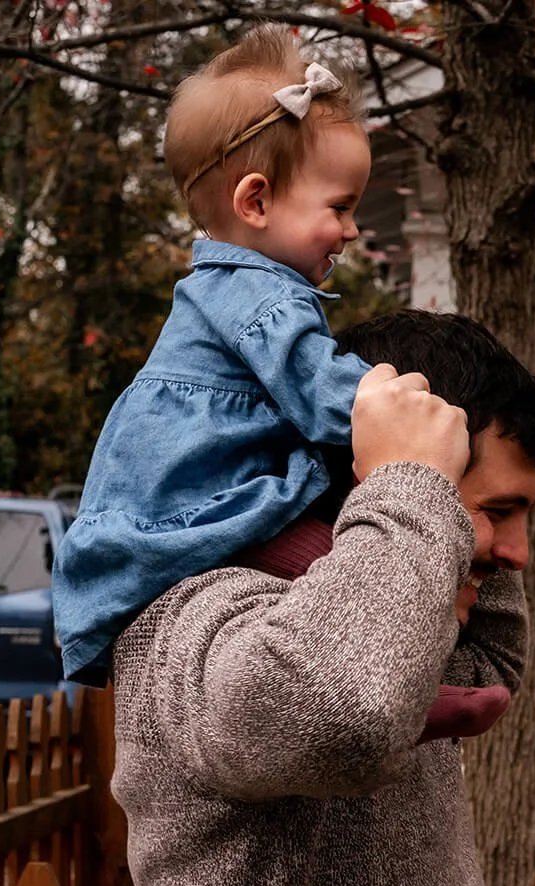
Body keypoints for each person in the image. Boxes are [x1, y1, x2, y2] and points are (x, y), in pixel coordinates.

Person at [111, 309, 535, 886]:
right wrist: (412, 481)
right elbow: (345, 713)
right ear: (379, 479)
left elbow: (491, 667)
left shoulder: (397, 614)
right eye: (497, 512)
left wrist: (440, 514)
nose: (518, 553)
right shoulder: (196, 624)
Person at [54, 23, 375, 687]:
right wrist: (391, 400)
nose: (350, 230)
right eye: (340, 207)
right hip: (210, 503)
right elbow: (323, 395)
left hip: (198, 497)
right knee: (342, 578)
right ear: (255, 200)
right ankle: (402, 693)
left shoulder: (225, 286)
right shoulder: (259, 295)